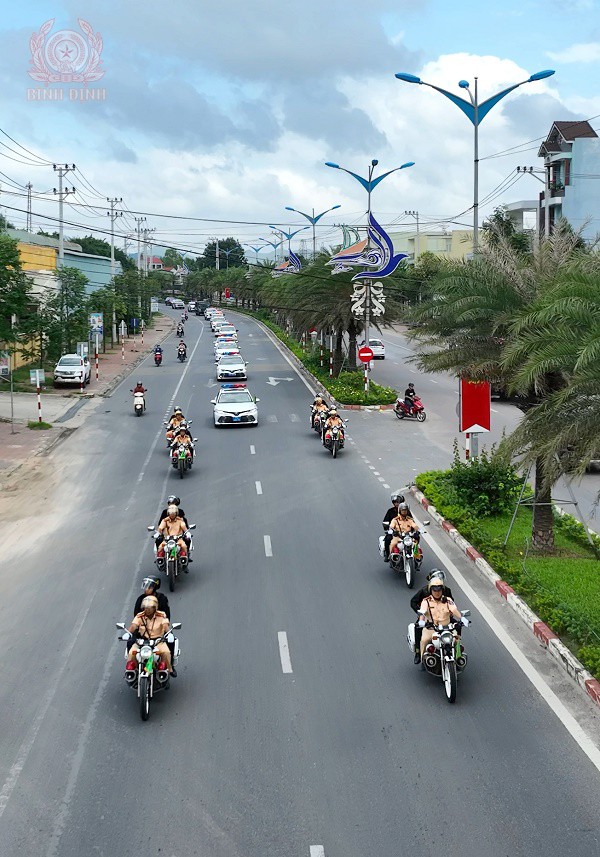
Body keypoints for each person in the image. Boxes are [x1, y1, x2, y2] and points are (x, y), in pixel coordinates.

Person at [410, 570, 453, 663]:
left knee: (457, 625)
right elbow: (413, 602)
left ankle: (456, 648)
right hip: (427, 617)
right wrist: (420, 613)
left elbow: (452, 603)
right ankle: (418, 653)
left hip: (443, 616)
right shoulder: (424, 591)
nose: (437, 590)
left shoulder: (447, 590)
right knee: (417, 629)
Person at [126, 595, 176, 677]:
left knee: (166, 652)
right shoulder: (139, 616)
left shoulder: (161, 615)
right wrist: (128, 633)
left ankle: (168, 670)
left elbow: (166, 626)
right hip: (142, 641)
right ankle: (133, 671)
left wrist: (169, 634)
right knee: (132, 652)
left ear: (154, 607)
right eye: (145, 608)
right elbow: (133, 626)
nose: (147, 610)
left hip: (158, 641)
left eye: (149, 608)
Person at [417, 576, 462, 661]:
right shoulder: (426, 601)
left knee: (457, 640)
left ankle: (459, 658)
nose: (437, 592)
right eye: (435, 590)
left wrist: (462, 618)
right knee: (424, 640)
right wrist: (421, 621)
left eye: (439, 590)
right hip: (431, 628)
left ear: (442, 590)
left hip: (447, 628)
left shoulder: (448, 600)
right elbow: (422, 612)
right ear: (431, 590)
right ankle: (422, 658)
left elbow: (454, 609)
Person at [381, 490, 413, 560]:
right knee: (388, 539)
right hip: (394, 532)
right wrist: (388, 528)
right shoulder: (390, 511)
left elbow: (412, 521)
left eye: (398, 502)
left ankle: (416, 555)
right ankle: (388, 555)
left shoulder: (407, 512)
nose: (396, 504)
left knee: (415, 539)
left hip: (405, 532)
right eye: (395, 502)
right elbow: (385, 521)